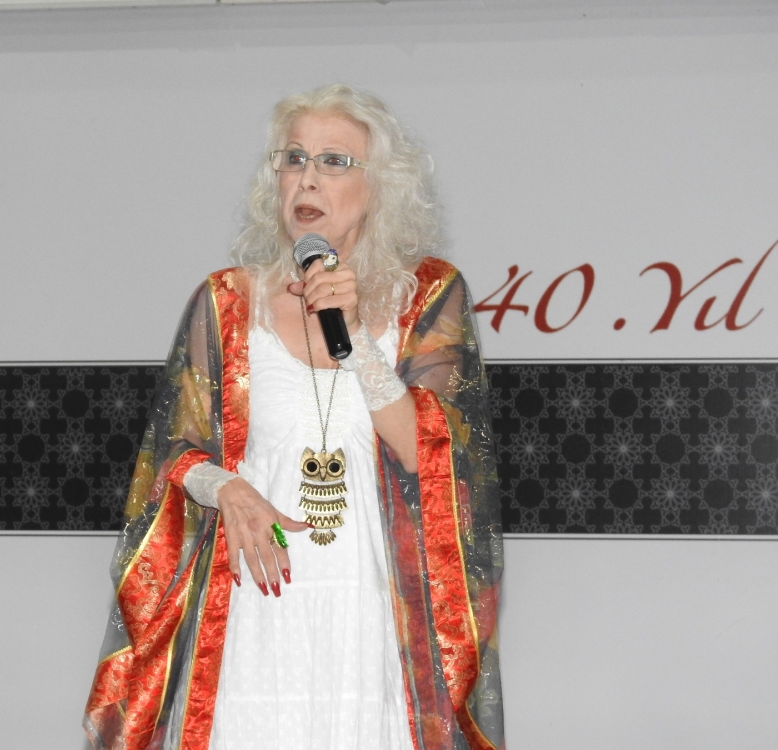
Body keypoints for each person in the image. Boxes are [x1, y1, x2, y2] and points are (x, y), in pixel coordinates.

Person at [84, 84, 504, 750]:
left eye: (334, 161)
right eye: (293, 158)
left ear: (380, 185)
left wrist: (355, 334)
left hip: (371, 613)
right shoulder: (226, 301)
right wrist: (226, 487)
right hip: (252, 605)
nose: (308, 178)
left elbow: (434, 453)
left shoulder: (427, 293)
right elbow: (172, 451)